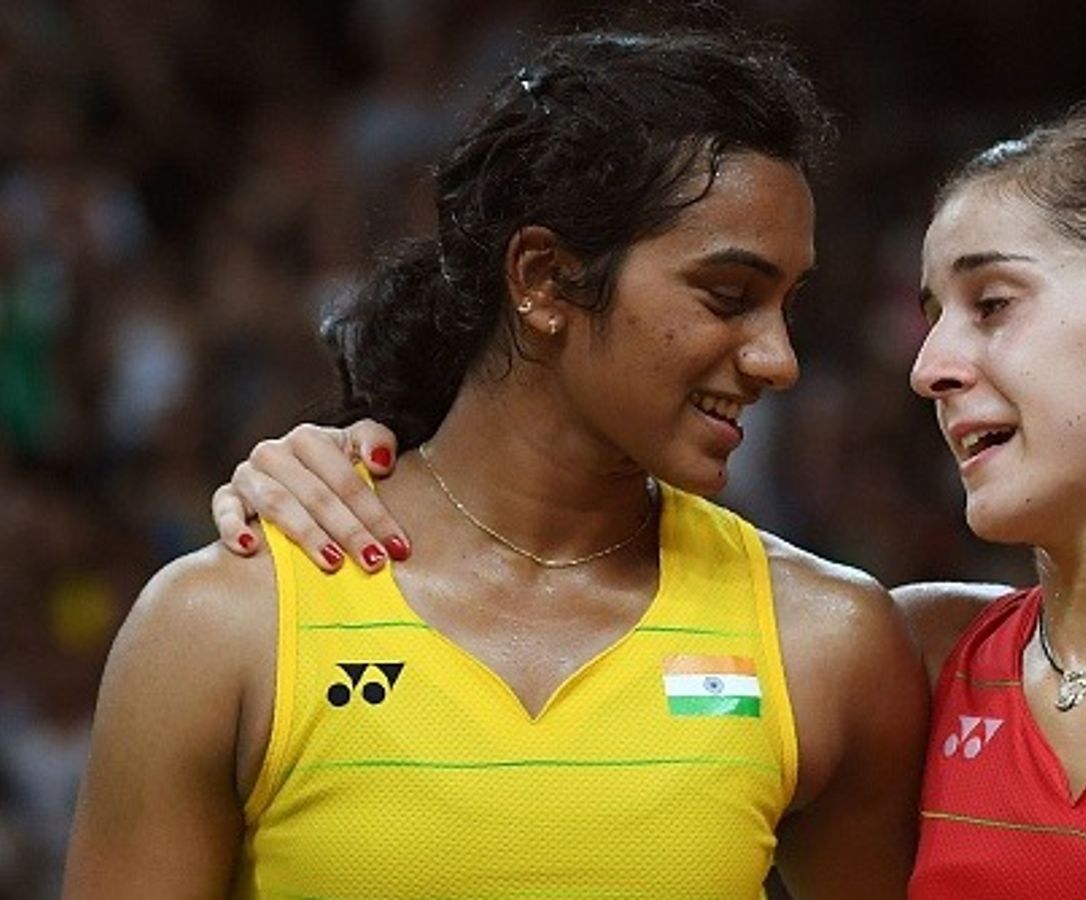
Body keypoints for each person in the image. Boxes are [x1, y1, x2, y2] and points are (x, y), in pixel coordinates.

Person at [202, 103, 1086, 897]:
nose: (931, 365)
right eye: (931, 314)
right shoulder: (908, 658)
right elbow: (554, 549)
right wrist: (353, 459)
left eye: (992, 305)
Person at [63, 29, 927, 900]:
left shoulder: (823, 641)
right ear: (545, 280)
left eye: (787, 306)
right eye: (729, 298)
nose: (779, 359)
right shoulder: (223, 622)